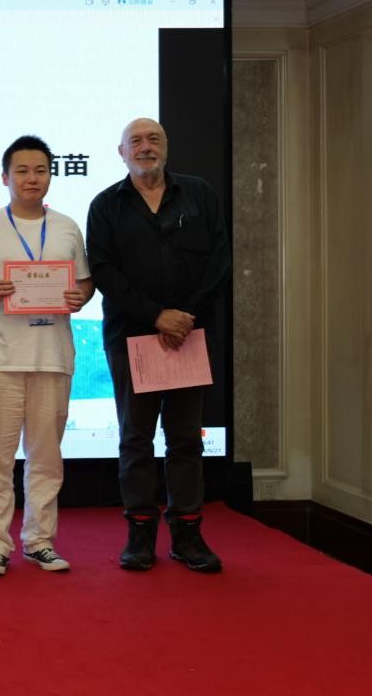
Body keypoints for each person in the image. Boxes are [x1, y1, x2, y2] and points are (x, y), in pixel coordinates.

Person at [86, 117, 229, 572]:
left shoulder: (198, 194)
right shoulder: (106, 204)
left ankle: (187, 533)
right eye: (136, 141)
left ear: (166, 146)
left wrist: (183, 317)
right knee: (136, 438)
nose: (145, 147)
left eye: (154, 139)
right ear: (121, 152)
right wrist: (156, 316)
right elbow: (104, 271)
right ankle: (140, 533)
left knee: (186, 438)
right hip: (131, 337)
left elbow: (219, 259)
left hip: (190, 333)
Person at [0, 135, 94, 576]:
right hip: (0, 356)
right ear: (5, 177)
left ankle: (39, 541)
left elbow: (85, 282)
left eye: (40, 170)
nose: (32, 178)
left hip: (53, 355)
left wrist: (81, 297)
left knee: (46, 456)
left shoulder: (67, 227)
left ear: (51, 175)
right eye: (22, 171)